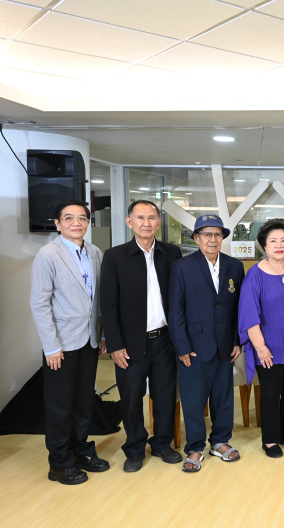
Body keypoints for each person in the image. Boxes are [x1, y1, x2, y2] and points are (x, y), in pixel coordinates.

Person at [30, 201, 109, 485]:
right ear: (58, 223)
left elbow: (99, 298)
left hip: (89, 340)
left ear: (88, 222)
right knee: (60, 406)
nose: (76, 223)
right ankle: (60, 463)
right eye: (69, 218)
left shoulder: (95, 252)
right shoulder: (47, 255)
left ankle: (80, 451)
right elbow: (39, 304)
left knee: (84, 402)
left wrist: (102, 334)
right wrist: (51, 346)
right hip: (61, 344)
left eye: (82, 218)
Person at [100, 200, 183, 472]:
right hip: (130, 344)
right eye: (140, 218)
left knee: (165, 396)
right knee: (131, 399)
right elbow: (108, 305)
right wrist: (115, 344)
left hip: (165, 340)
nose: (146, 223)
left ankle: (162, 444)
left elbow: (179, 298)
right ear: (130, 222)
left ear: (158, 222)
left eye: (151, 217)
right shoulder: (115, 256)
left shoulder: (172, 253)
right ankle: (134, 448)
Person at [169, 215, 244, 472]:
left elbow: (239, 308)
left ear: (223, 238)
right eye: (206, 234)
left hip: (225, 345)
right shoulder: (182, 267)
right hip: (194, 346)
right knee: (193, 399)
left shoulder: (235, 266)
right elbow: (175, 310)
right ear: (197, 238)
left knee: (224, 397)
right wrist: (182, 346)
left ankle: (220, 441)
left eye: (217, 234)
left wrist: (237, 340)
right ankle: (195, 447)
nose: (212, 239)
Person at [239, 219, 284, 459]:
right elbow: (249, 315)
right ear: (264, 246)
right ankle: (270, 440)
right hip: (268, 348)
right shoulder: (255, 275)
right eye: (273, 241)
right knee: (270, 395)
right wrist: (260, 348)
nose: (279, 245)